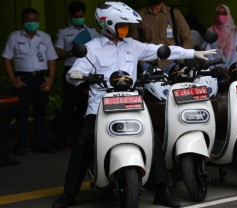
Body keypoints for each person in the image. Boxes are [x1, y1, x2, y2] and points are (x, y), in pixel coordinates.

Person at [51, 2, 216, 208]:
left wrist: (192, 54)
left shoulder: (132, 45)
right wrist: (75, 76)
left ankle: (161, 190)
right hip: (100, 107)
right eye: (122, 25)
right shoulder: (91, 49)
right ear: (107, 25)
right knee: (81, 144)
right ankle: (69, 194)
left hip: (131, 104)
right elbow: (73, 74)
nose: (126, 29)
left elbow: (160, 50)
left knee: (153, 139)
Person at [2, 8, 58, 155]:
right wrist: (13, 79)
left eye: (34, 19)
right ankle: (23, 145)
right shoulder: (14, 37)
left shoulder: (45, 37)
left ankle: (42, 143)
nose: (32, 22)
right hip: (23, 79)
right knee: (22, 113)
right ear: (23, 22)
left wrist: (50, 79)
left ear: (38, 21)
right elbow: (6, 58)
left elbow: (52, 59)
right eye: (28, 20)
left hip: (41, 78)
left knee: (41, 112)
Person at [54, 1, 99, 150]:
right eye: (76, 16)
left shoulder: (92, 31)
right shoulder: (64, 32)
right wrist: (73, 51)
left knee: (85, 106)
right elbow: (58, 52)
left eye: (81, 16)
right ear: (71, 16)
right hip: (71, 69)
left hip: (88, 71)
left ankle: (81, 139)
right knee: (69, 106)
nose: (79, 19)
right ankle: (62, 138)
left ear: (84, 15)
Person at [128, 0, 193, 69]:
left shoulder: (174, 13)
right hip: (148, 67)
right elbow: (132, 44)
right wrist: (143, 64)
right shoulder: (138, 15)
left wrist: (180, 60)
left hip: (172, 65)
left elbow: (187, 39)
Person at [206, 4, 237, 70]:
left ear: (228, 14)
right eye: (218, 13)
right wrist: (217, 67)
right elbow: (207, 51)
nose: (220, 16)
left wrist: (229, 69)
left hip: (233, 68)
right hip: (215, 69)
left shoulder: (235, 31)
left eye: (224, 13)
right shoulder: (210, 31)